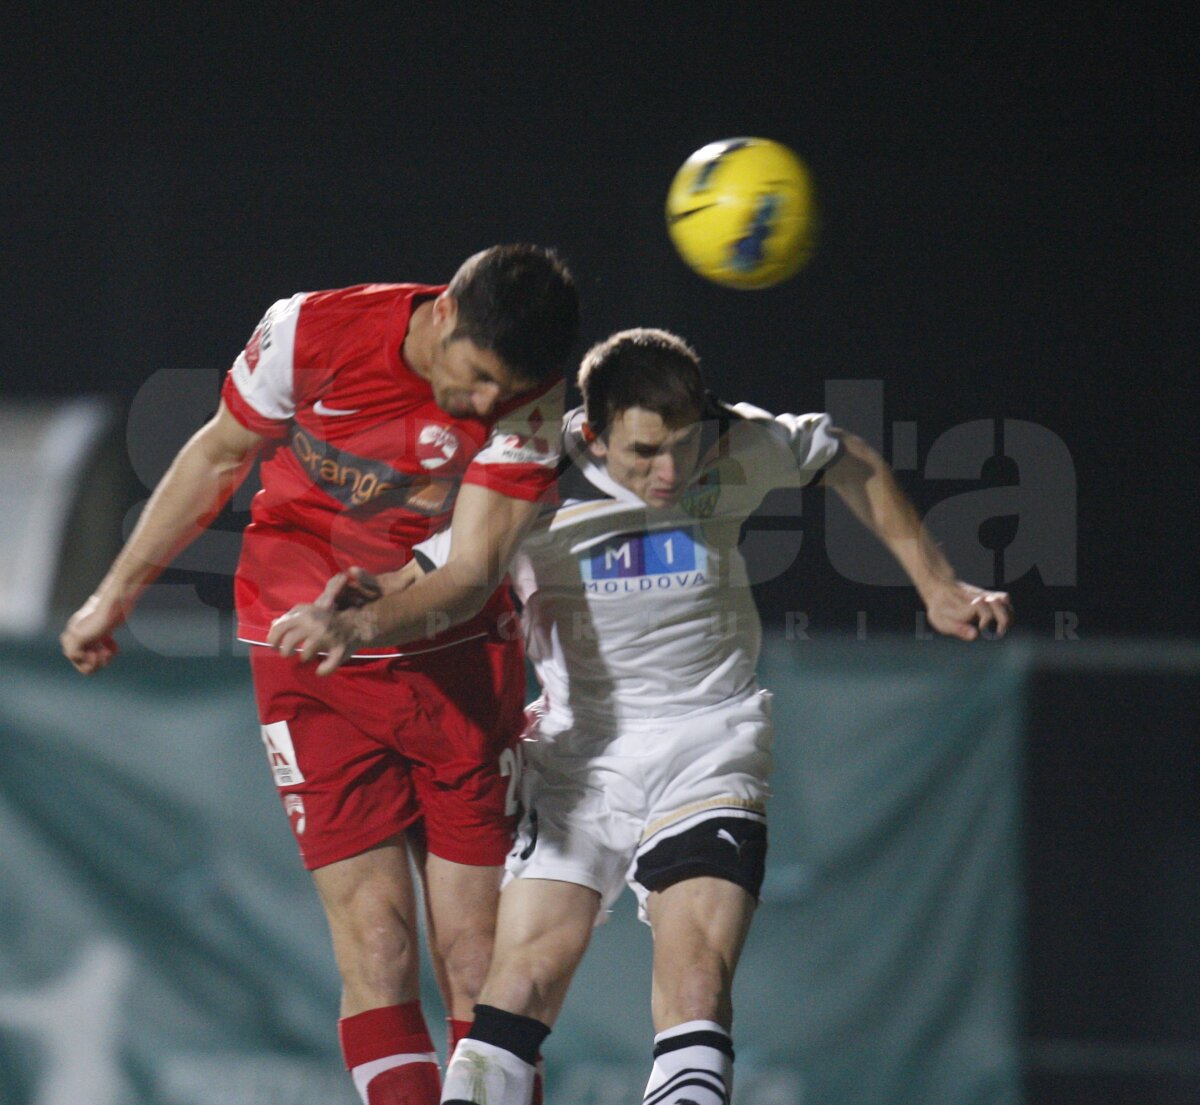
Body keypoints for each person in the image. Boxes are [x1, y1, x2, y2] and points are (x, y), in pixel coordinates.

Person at [274, 327, 1013, 1105]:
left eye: (682, 447)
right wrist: (361, 609)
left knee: (696, 984)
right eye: (645, 452)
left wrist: (939, 585)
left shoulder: (734, 441)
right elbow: (446, 573)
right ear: (592, 433)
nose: (669, 471)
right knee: (517, 988)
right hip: (577, 759)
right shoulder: (531, 474)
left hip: (708, 744)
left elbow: (845, 456)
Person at [59, 244, 581, 1105]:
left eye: (507, 389)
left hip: (455, 671)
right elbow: (219, 454)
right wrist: (114, 594)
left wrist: (361, 621)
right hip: (307, 667)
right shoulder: (311, 330)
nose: (489, 402)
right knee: (376, 945)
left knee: (477, 959)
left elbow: (469, 575)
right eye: (480, 375)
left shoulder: (534, 399)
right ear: (445, 312)